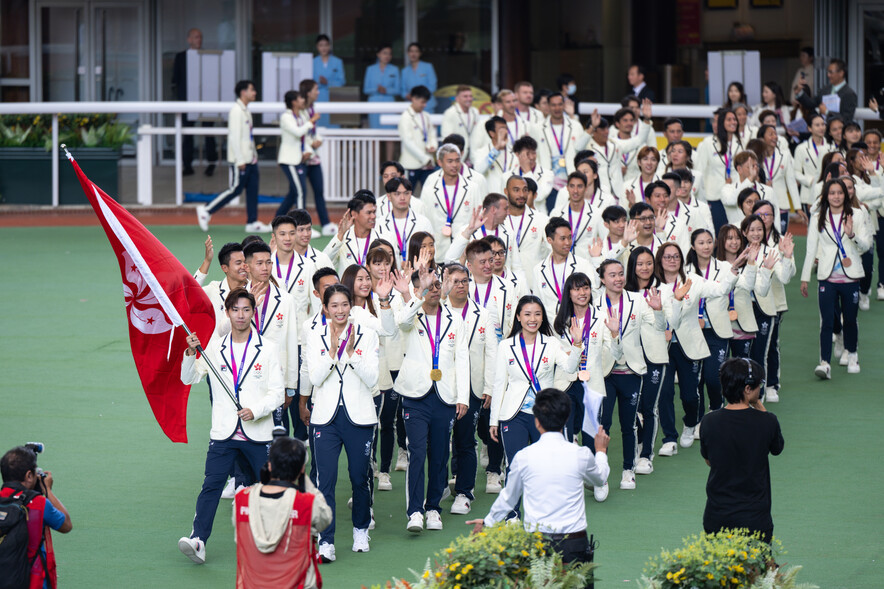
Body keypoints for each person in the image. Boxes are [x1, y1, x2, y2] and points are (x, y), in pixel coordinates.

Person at [178, 288, 285, 564]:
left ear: (253, 312)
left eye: (246, 309)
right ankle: (198, 539)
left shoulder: (269, 348)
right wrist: (190, 352)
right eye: (235, 309)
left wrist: (256, 410)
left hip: (257, 433)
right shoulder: (214, 346)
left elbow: (277, 393)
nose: (240, 315)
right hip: (224, 433)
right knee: (211, 485)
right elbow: (188, 378)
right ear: (227, 312)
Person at [469, 388, 610, 578]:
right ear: (566, 418)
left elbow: (508, 499)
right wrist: (600, 451)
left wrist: (488, 522)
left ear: (536, 421)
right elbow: (600, 478)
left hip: (536, 544)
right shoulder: (581, 454)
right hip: (574, 544)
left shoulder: (524, 457)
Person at [302, 284, 380, 560]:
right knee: (326, 481)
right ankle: (326, 541)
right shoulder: (314, 336)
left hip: (359, 417)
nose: (339, 310)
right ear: (325, 308)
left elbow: (372, 378)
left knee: (360, 477)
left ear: (351, 306)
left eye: (344, 304)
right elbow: (315, 378)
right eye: (333, 305)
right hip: (325, 419)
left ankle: (360, 531)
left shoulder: (368, 336)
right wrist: (333, 351)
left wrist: (350, 353)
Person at [395, 266, 470, 533]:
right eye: (428, 286)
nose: (434, 290)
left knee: (439, 455)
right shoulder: (412, 315)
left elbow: (462, 358)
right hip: (415, 395)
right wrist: (417, 294)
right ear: (418, 290)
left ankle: (433, 509)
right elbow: (401, 322)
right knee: (416, 452)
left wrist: (463, 396)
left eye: (437, 285)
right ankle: (414, 510)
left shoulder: (454, 318)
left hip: (445, 396)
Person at [700, 358, 784, 543]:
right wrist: (760, 406)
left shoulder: (709, 422)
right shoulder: (767, 421)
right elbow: (777, 448)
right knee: (758, 570)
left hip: (717, 515)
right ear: (747, 389)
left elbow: (709, 461)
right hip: (755, 518)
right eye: (759, 385)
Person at [233, 437, 331, 589]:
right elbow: (326, 518)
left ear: (270, 466)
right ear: (301, 470)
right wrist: (304, 479)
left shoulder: (242, 500)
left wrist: (265, 478)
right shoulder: (306, 504)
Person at [800, 179, 871, 378]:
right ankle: (824, 362)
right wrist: (805, 278)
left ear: (846, 194)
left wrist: (852, 234)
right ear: (826, 195)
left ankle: (853, 354)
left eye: (840, 192)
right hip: (827, 277)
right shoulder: (817, 218)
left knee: (850, 318)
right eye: (832, 193)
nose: (837, 196)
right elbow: (810, 249)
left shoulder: (857, 214)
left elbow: (865, 246)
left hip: (851, 277)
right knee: (827, 322)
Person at [442, 263, 496, 513]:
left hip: (473, 388)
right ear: (445, 283)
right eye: (455, 281)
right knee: (439, 442)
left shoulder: (483, 313)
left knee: (465, 441)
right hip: (441, 387)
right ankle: (441, 485)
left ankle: (464, 492)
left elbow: (492, 352)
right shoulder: (437, 311)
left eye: (465, 280)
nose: (461, 285)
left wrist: (489, 385)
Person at [197, 80, 272, 233]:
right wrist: (239, 159)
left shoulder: (245, 110)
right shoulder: (236, 111)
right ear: (243, 92)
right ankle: (206, 210)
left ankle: (252, 221)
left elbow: (247, 137)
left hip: (251, 158)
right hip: (242, 160)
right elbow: (233, 137)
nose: (254, 93)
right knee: (235, 189)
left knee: (253, 190)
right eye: (252, 90)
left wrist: (253, 155)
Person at [1, 446, 73, 589]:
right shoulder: (39, 503)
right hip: (33, 581)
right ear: (29, 476)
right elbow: (66, 525)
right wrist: (47, 491)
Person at [172, 28, 218, 176]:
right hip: (187, 101)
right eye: (196, 37)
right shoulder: (181, 57)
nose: (199, 40)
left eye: (200, 37)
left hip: (206, 101)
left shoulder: (207, 56)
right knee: (187, 134)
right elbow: (176, 79)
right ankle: (187, 165)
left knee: (208, 133)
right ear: (189, 40)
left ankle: (211, 163)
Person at [299, 78, 337, 236]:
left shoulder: (312, 108)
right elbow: (300, 132)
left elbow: (313, 131)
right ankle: (302, 227)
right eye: (315, 89)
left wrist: (318, 140)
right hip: (301, 158)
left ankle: (326, 223)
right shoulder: (300, 109)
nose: (318, 92)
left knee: (319, 191)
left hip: (313, 158)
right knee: (298, 193)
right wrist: (310, 145)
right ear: (308, 92)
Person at [277, 90, 321, 219]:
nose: (303, 100)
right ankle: (302, 224)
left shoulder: (301, 116)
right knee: (301, 191)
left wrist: (308, 151)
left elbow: (304, 137)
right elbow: (298, 132)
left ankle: (276, 220)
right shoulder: (286, 117)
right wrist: (311, 121)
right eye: (301, 98)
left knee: (294, 193)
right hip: (289, 160)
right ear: (294, 102)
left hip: (298, 159)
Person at [323, 191, 381, 274]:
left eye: (374, 212)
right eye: (369, 213)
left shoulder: (383, 238)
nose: (373, 216)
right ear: (354, 214)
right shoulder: (342, 239)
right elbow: (323, 262)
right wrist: (340, 235)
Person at [397, 85, 438, 193]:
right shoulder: (405, 117)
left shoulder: (426, 116)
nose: (424, 105)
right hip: (411, 164)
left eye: (426, 102)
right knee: (406, 197)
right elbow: (408, 142)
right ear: (413, 98)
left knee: (431, 196)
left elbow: (431, 134)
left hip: (428, 164)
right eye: (422, 102)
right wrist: (425, 158)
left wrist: (433, 146)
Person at [796, 58, 858, 122]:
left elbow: (846, 118)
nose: (828, 75)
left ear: (841, 73)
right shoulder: (825, 90)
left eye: (831, 72)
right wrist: (800, 92)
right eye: (828, 72)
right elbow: (811, 104)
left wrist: (827, 112)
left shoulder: (849, 94)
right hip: (823, 129)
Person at [364, 44, 400, 129]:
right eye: (384, 53)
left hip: (389, 104)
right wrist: (377, 89)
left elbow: (398, 90)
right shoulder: (370, 69)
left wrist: (386, 90)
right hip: (374, 104)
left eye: (389, 54)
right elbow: (366, 89)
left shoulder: (395, 69)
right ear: (378, 54)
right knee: (375, 136)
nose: (387, 56)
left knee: (390, 134)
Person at [312, 34, 345, 128]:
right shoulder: (312, 62)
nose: (324, 48)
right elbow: (309, 82)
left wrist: (328, 83)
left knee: (334, 126)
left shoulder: (337, 62)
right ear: (317, 47)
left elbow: (342, 81)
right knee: (318, 126)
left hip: (333, 97)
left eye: (326, 45)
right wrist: (319, 82)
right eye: (321, 45)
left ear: (329, 46)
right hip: (318, 97)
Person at [442, 86, 480, 163]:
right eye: (465, 96)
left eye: (470, 96)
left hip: (473, 156)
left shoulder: (475, 112)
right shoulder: (450, 113)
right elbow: (447, 138)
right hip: (458, 156)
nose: (469, 99)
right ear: (457, 98)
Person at [401, 43, 438, 113]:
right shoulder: (404, 71)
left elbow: (433, 86)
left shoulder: (428, 67)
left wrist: (420, 96)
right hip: (412, 106)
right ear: (408, 53)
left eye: (416, 51)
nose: (413, 54)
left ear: (420, 53)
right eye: (411, 51)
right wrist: (407, 95)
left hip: (427, 105)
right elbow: (403, 90)